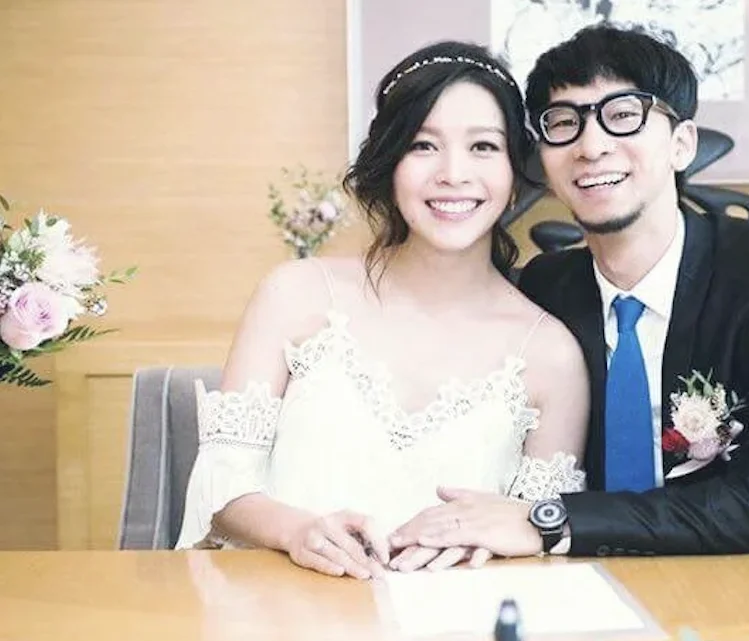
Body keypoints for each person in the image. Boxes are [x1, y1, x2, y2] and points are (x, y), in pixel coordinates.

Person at [390, 24, 749, 559]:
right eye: (564, 122)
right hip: (592, 582)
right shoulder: (543, 289)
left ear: (681, 144)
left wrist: (550, 523)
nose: (591, 146)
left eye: (623, 115)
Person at [174, 40, 590, 578]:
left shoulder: (551, 354)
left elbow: (542, 546)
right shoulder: (295, 295)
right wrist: (297, 532)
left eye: (484, 147)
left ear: (515, 174)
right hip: (280, 610)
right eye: (423, 145)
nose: (453, 173)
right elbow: (221, 490)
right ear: (389, 164)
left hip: (452, 623)